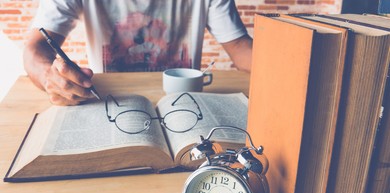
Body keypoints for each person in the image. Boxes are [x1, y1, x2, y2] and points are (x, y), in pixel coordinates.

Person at [23, 0, 253, 106]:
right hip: (111, 105)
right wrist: (49, 77)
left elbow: (242, 49)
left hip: (186, 106)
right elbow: (36, 47)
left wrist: (287, 64)